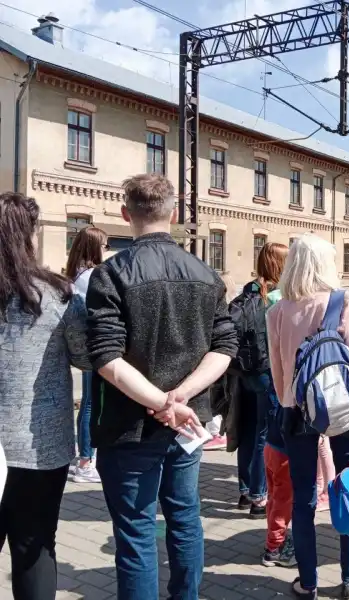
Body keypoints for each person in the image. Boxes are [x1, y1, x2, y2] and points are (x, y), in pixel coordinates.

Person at [86, 174, 238, 599]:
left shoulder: (110, 274)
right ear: (173, 214)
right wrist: (181, 399)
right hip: (186, 426)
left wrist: (163, 402)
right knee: (185, 518)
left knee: (135, 531)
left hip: (130, 427)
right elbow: (224, 347)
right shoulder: (207, 274)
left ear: (125, 214)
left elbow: (107, 359)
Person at [267, 234, 349, 599]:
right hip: (343, 408)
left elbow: (279, 373)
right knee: (346, 489)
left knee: (303, 498)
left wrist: (288, 408)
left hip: (295, 412)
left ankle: (307, 583)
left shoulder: (277, 311)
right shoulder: (345, 302)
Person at [0, 192, 91, 599]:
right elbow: (88, 358)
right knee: (34, 548)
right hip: (41, 448)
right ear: (31, 235)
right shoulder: (58, 295)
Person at [247, 242, 297, 568]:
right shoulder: (283, 304)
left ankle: (254, 493)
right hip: (282, 392)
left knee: (262, 444)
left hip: (258, 381)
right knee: (285, 479)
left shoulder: (252, 293)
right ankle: (276, 546)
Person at [65, 226, 108, 484]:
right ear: (94, 247)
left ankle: (83, 455)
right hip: (93, 347)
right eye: (104, 244)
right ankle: (85, 461)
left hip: (83, 346)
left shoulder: (76, 273)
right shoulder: (92, 275)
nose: (107, 249)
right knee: (92, 405)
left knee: (88, 404)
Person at [205, 272, 239, 451]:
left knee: (215, 397)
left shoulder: (221, 306)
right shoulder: (235, 304)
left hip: (216, 360)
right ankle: (218, 432)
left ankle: (216, 434)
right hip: (228, 363)